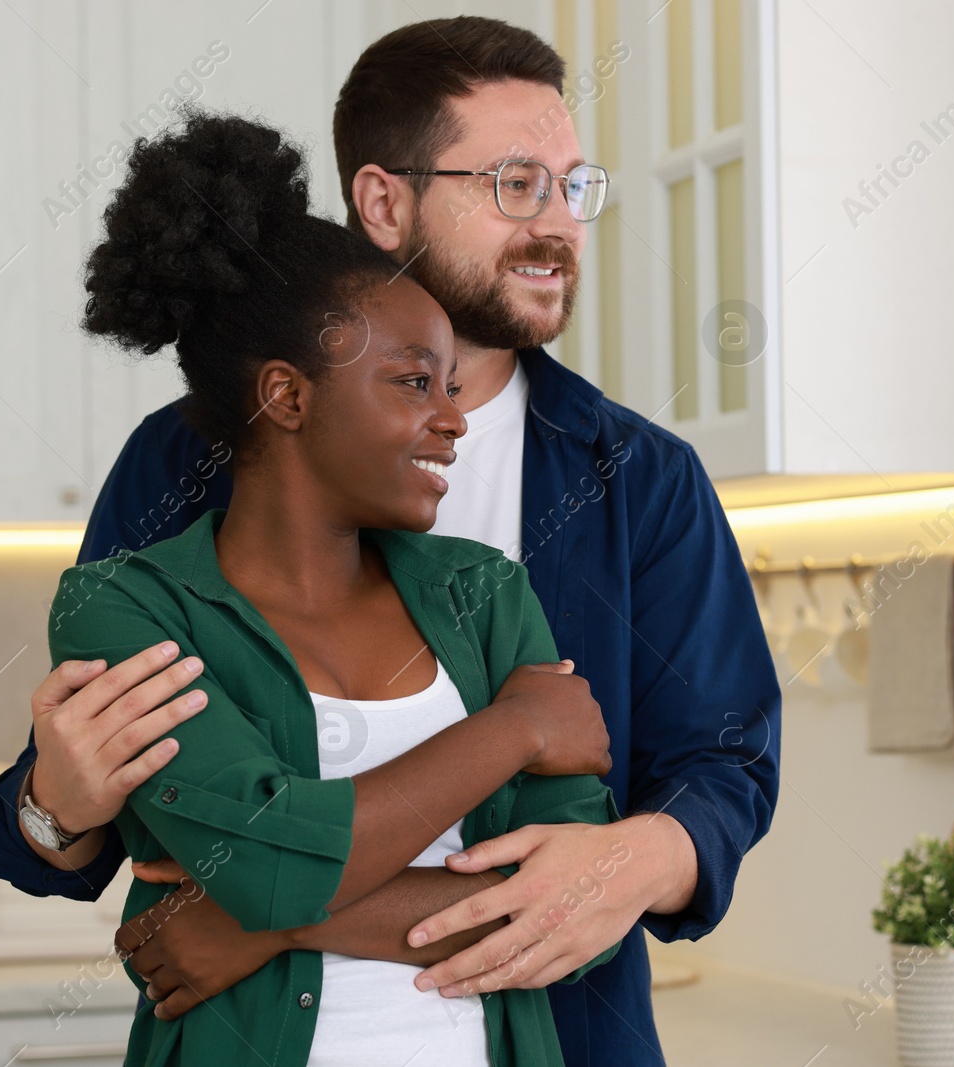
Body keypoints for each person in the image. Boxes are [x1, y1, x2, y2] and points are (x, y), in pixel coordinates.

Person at [0, 16, 780, 1065]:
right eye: (513, 184)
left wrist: (631, 857)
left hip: (567, 1033)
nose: (559, 226)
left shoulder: (639, 482)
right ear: (382, 200)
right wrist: (53, 805)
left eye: (573, 187)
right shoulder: (182, 467)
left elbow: (721, 769)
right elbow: (96, 823)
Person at [45, 108, 625, 1065]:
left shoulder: (485, 591)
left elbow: (570, 910)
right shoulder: (128, 607)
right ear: (290, 396)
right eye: (413, 383)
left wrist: (268, 921)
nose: (454, 422)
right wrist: (517, 727)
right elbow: (267, 863)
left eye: (452, 385)